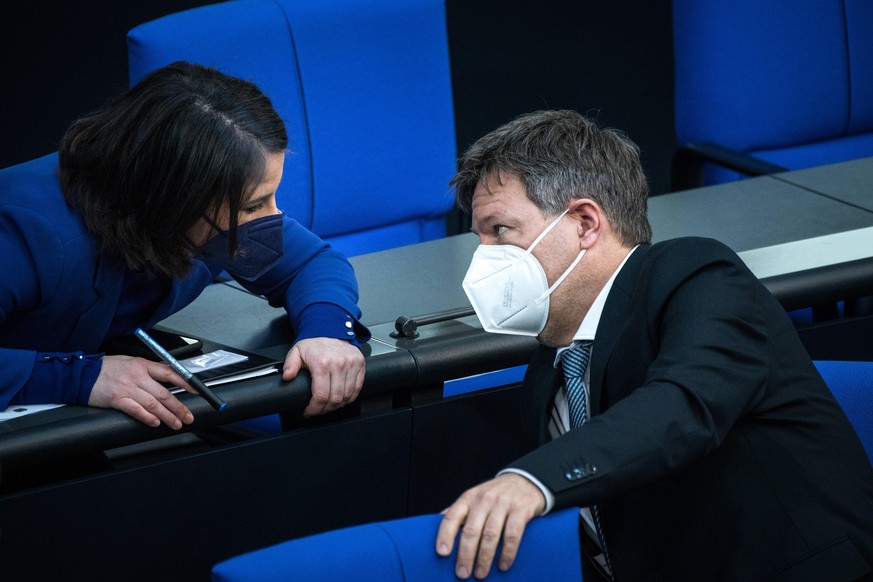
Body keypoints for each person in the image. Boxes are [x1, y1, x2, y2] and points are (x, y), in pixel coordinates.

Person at [435, 110, 873, 580]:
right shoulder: (546, 373)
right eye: (478, 238)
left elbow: (684, 401)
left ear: (584, 223)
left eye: (500, 231)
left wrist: (533, 479)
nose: (482, 259)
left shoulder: (695, 273)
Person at [0, 61, 368, 429]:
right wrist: (77, 376)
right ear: (176, 199)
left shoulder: (207, 215)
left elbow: (313, 263)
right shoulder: (28, 233)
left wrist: (326, 332)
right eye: (255, 204)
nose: (274, 218)